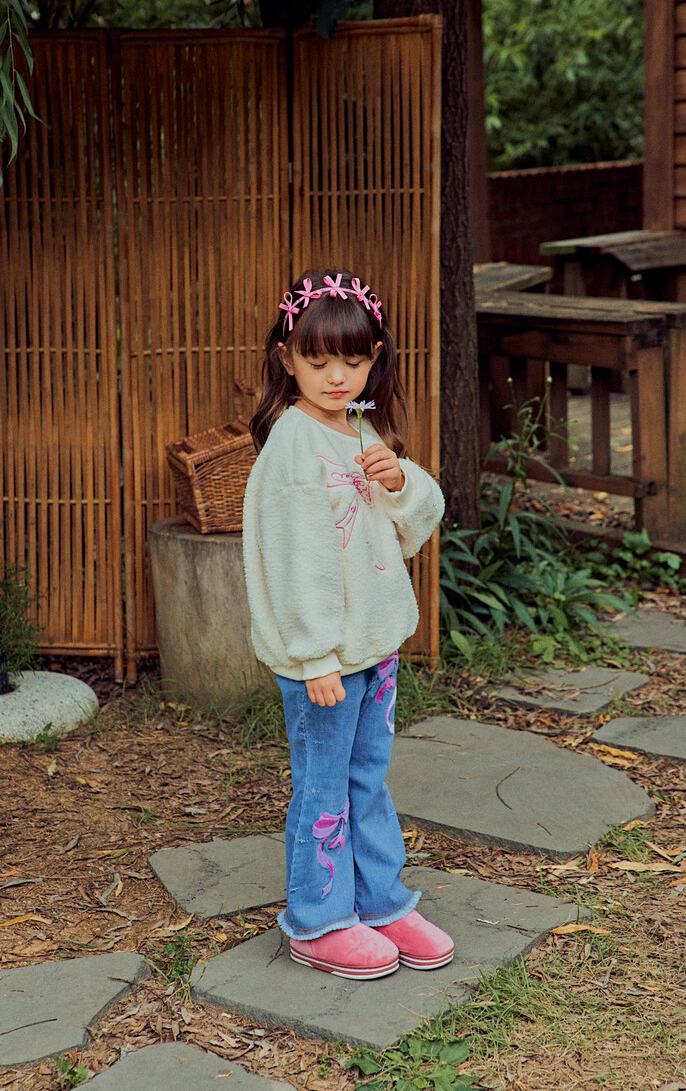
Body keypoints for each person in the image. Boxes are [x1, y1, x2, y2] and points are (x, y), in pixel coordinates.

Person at [242, 266, 453, 980]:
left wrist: (399, 480)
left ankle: (380, 901)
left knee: (368, 778)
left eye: (354, 360)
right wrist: (315, 655)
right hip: (326, 659)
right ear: (286, 359)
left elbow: (408, 525)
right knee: (324, 787)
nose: (337, 376)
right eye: (319, 360)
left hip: (373, 645)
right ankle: (319, 919)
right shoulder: (293, 446)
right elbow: (296, 560)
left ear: (375, 359)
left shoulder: (358, 427)